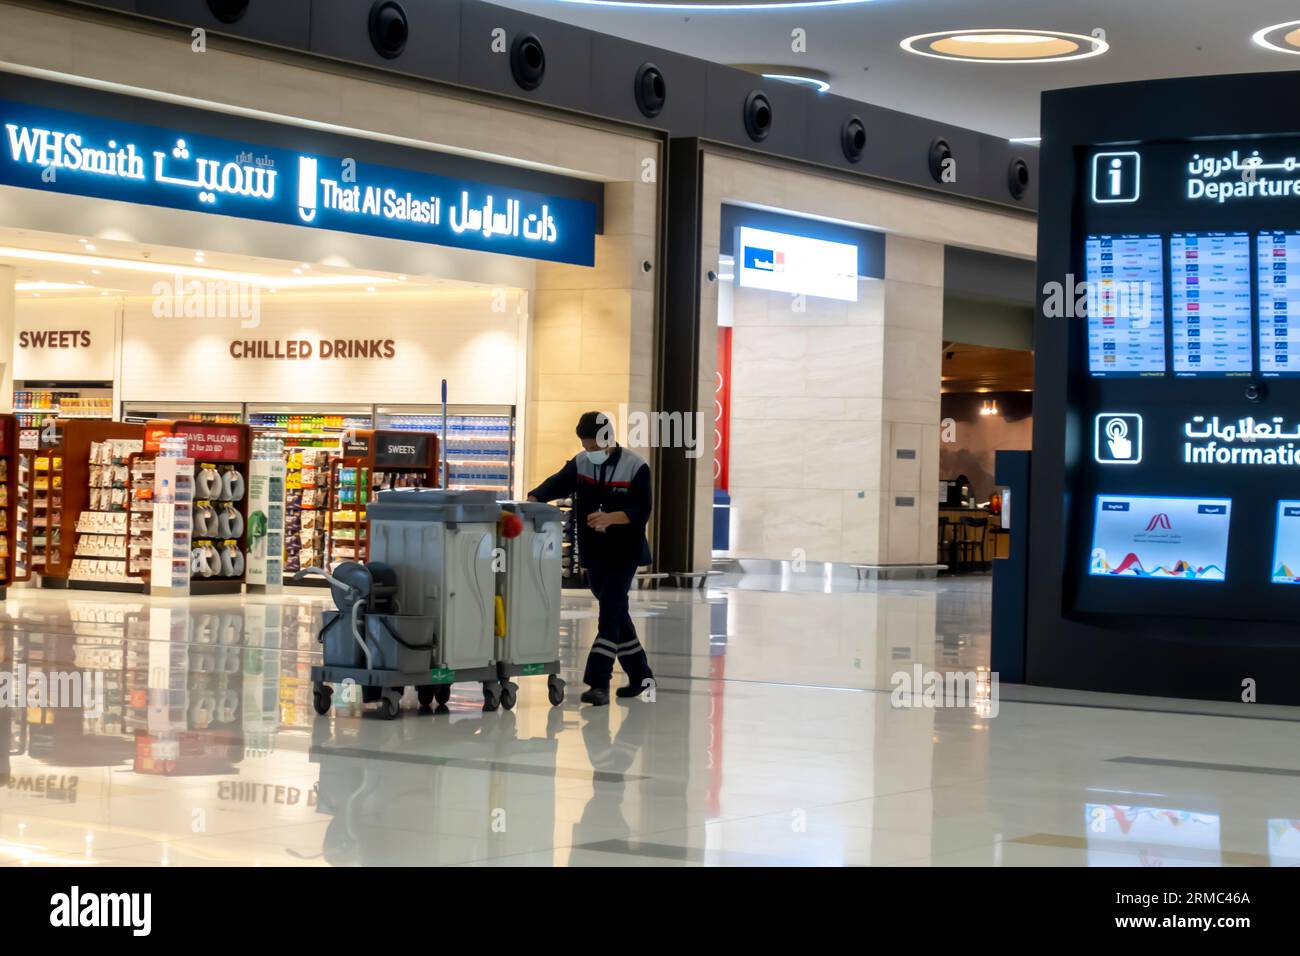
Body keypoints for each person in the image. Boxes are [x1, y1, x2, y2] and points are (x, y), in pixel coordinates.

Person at [528, 411, 655, 706]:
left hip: (624, 552)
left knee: (609, 613)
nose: (590, 453)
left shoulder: (635, 466)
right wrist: (533, 499)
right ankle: (641, 678)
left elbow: (641, 510)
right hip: (594, 552)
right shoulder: (582, 462)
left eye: (594, 448)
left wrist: (611, 518)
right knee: (617, 614)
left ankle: (598, 683)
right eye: (586, 447)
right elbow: (557, 483)